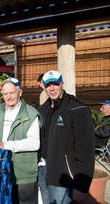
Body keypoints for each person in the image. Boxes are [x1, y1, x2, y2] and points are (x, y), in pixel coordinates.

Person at [39, 70, 95, 203]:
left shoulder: (77, 110)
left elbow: (86, 151)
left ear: (62, 84)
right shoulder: (44, 109)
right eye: (48, 85)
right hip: (44, 172)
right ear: (44, 87)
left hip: (63, 175)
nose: (52, 88)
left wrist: (82, 186)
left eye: (55, 84)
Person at [0, 77, 41, 204]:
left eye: (12, 93)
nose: (8, 97)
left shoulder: (31, 114)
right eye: (5, 94)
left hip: (23, 173)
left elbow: (34, 143)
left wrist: (4, 144)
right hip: (2, 168)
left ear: (20, 92)